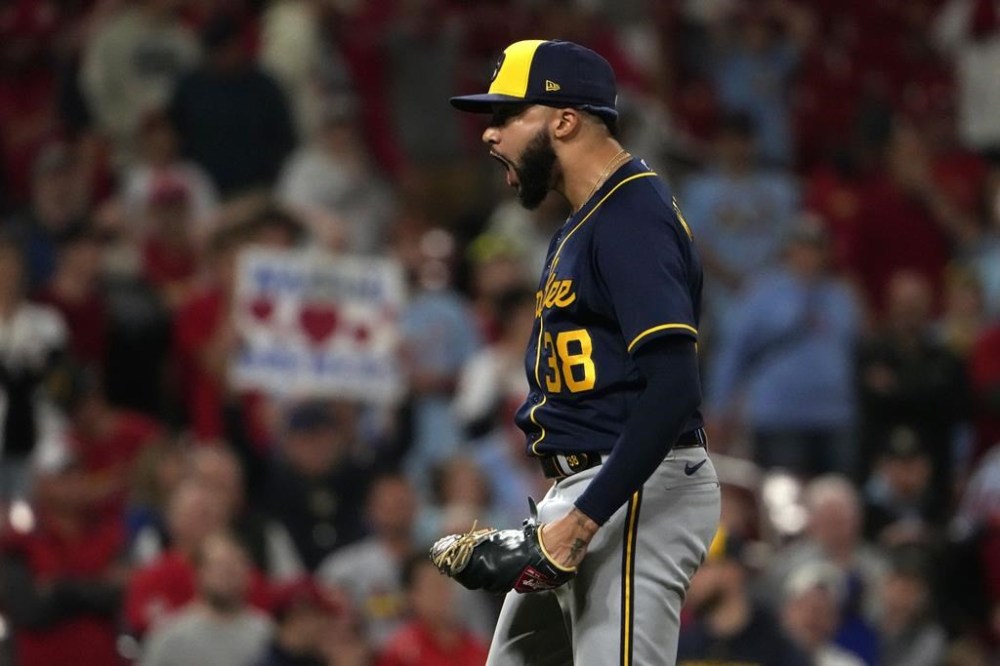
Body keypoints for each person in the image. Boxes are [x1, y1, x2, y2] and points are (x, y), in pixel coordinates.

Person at [448, 39, 720, 664]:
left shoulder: (630, 216)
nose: (490, 136)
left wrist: (584, 520)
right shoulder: (585, 218)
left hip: (634, 491)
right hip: (590, 490)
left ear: (564, 120)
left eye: (505, 116)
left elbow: (675, 387)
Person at [677, 527, 810, 666]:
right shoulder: (681, 645)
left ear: (732, 572)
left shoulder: (778, 647)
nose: (690, 578)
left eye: (702, 567)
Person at [140, 531, 272, 666]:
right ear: (198, 573)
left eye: (235, 565)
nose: (227, 574)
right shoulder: (170, 638)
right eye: (219, 566)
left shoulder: (265, 634)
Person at [376, 554, 490, 666]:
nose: (442, 593)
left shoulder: (477, 649)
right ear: (412, 595)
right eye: (433, 586)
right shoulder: (401, 653)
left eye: (445, 584)